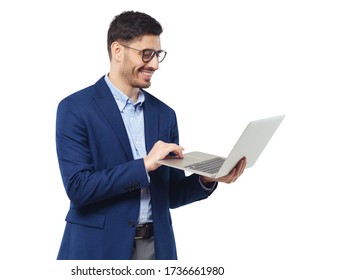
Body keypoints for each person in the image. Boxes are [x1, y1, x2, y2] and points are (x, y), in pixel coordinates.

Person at [55, 10, 246, 260]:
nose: (154, 64)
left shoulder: (165, 114)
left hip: (156, 248)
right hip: (97, 249)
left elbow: (172, 194)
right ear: (117, 50)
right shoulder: (75, 108)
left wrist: (208, 179)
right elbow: (79, 188)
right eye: (146, 54)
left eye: (157, 55)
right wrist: (145, 165)